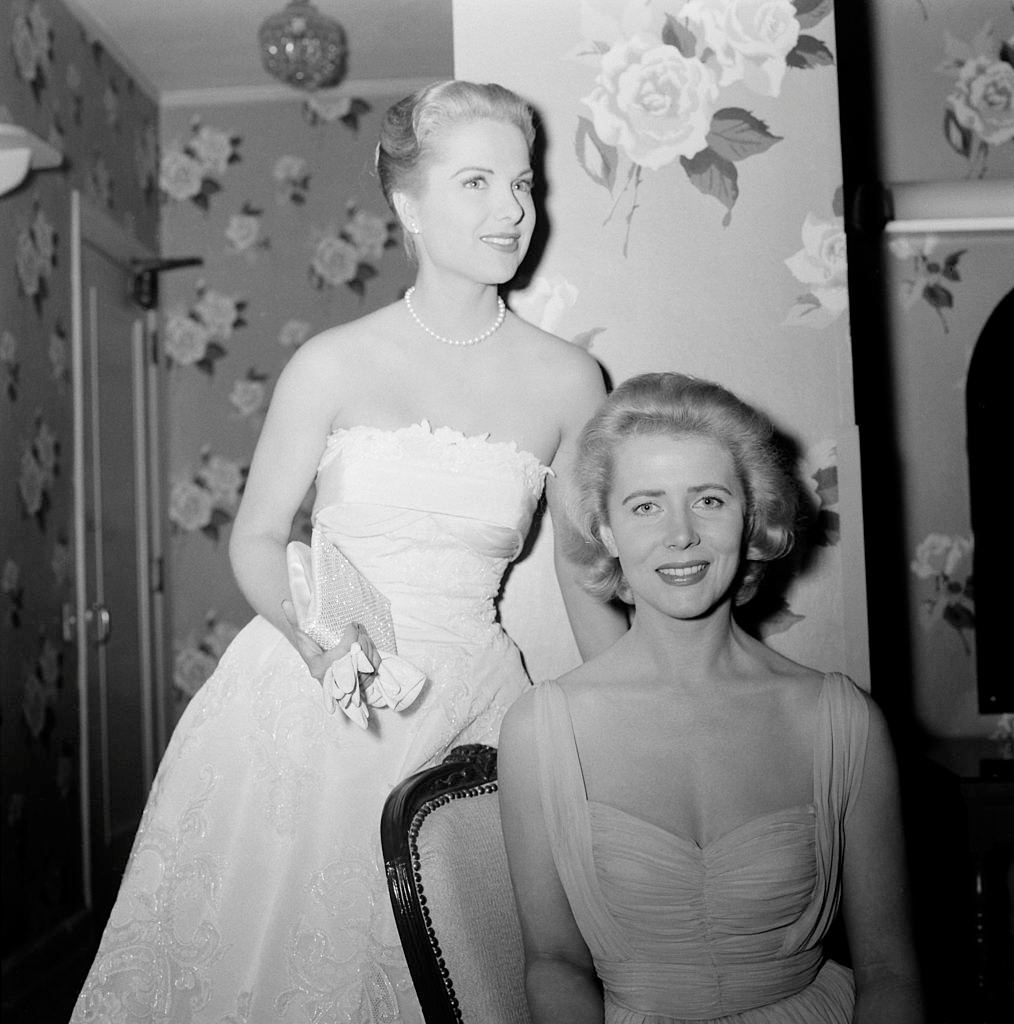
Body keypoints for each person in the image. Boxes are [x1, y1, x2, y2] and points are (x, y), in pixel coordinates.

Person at [71, 80, 626, 1024]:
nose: (511, 210)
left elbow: (580, 573)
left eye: (523, 185)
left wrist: (651, 713)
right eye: (478, 182)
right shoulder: (331, 363)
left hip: (473, 704)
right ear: (409, 206)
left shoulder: (572, 379)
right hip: (312, 692)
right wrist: (320, 643)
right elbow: (256, 536)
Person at [498, 372, 925, 1023]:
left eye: (710, 501)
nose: (681, 535)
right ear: (606, 530)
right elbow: (553, 963)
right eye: (645, 505)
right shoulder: (541, 730)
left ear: (752, 516)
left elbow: (890, 971)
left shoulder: (842, 720)